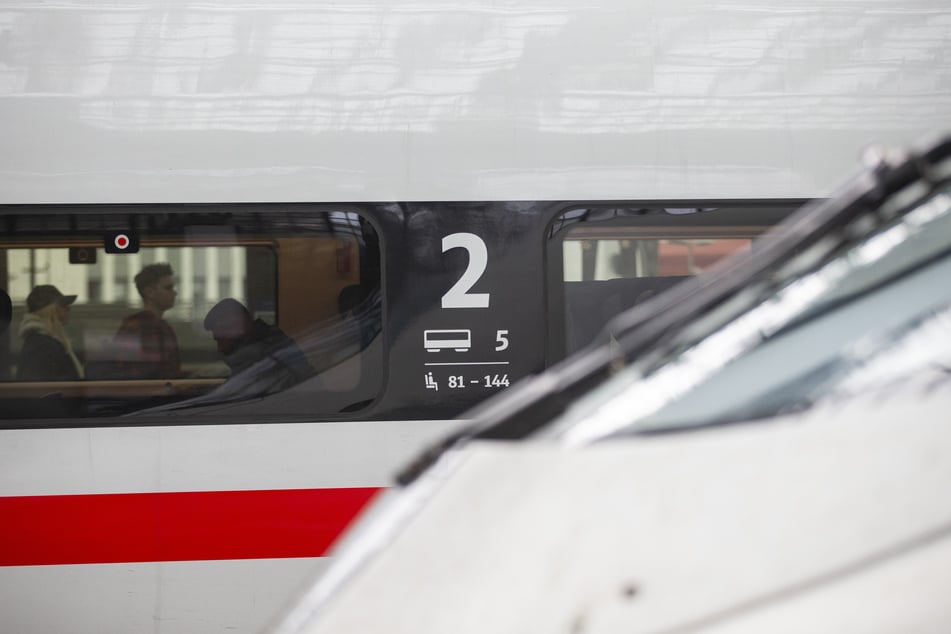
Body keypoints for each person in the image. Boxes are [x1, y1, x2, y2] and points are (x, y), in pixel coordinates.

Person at [203, 298, 313, 391]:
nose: (220, 349)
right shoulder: (272, 352)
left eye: (221, 340)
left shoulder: (263, 359)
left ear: (239, 328)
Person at [112, 263, 183, 379]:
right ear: (149, 292)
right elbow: (154, 376)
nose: (174, 293)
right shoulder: (145, 327)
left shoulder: (149, 325)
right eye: (168, 288)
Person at [17, 285, 84, 381]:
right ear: (51, 309)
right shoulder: (43, 346)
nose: (68, 309)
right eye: (64, 305)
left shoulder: (42, 341)